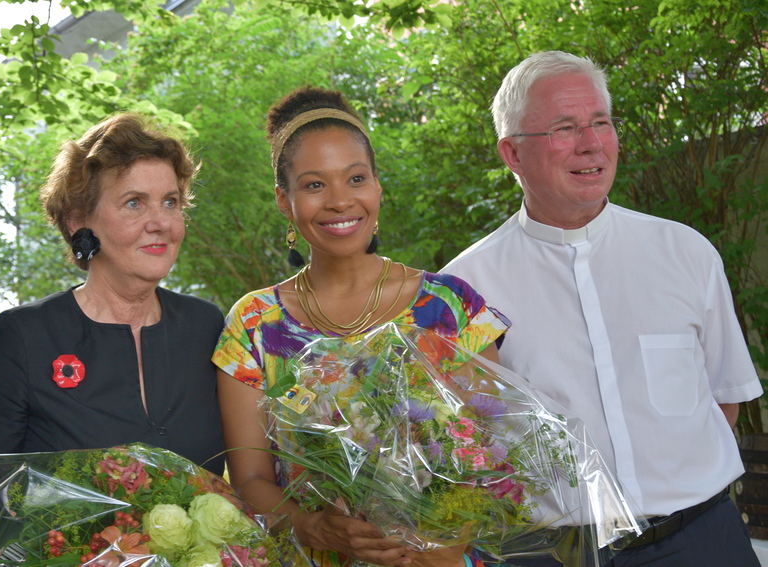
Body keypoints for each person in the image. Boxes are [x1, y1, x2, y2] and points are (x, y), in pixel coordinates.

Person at [442, 51, 763, 566]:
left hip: (701, 542)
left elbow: (724, 401)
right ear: (512, 154)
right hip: (548, 554)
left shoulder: (687, 253)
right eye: (564, 127)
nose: (590, 143)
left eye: (601, 123)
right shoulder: (465, 287)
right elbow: (462, 439)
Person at [213, 87, 510, 567]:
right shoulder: (254, 323)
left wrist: (443, 542)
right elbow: (249, 480)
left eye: (355, 178)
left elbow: (493, 444)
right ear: (284, 202)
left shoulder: (450, 306)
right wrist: (315, 527)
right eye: (313, 185)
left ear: (377, 187)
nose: (339, 201)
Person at [0, 113, 226, 474]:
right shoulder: (23, 338)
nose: (161, 223)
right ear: (79, 220)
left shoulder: (206, 326)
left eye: (170, 202)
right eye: (134, 203)